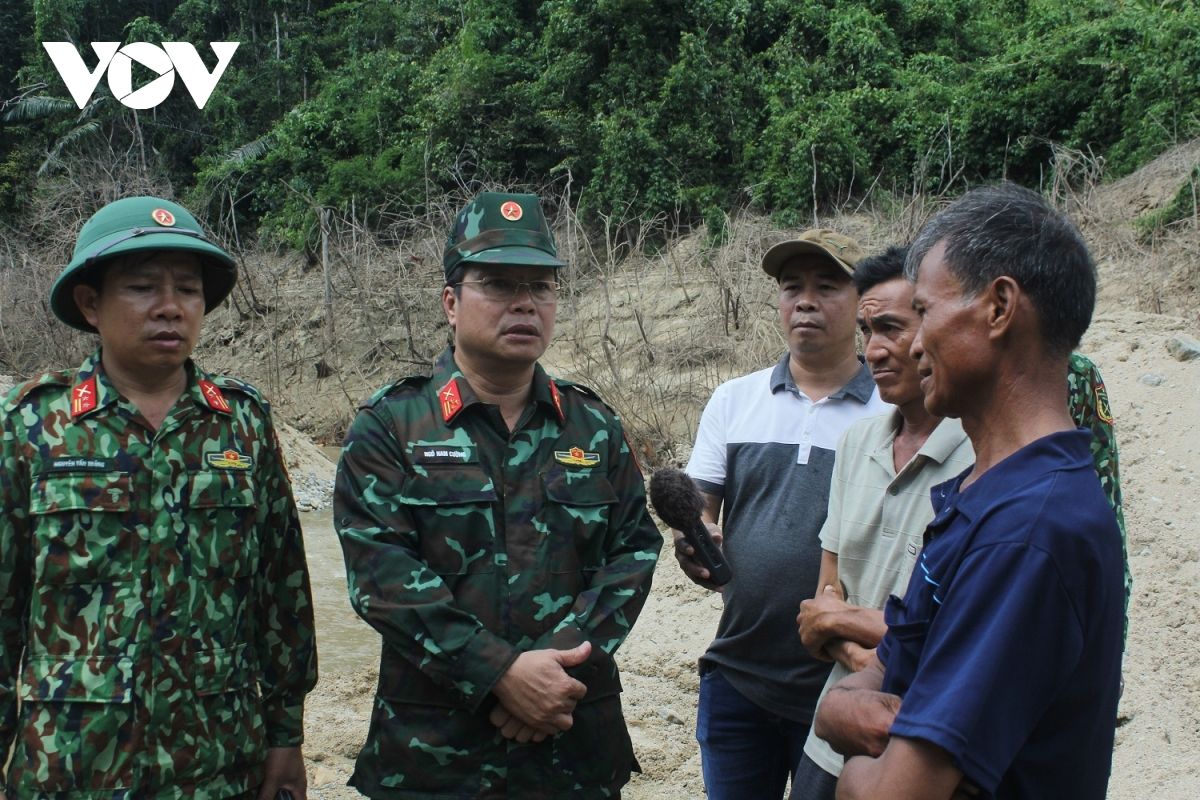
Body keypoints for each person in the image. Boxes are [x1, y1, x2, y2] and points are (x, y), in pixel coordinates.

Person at [333, 191, 662, 799]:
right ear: (452, 304)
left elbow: (634, 554)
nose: (524, 303)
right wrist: (499, 673)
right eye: (499, 284)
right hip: (434, 754)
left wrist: (556, 667)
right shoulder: (392, 424)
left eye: (541, 287)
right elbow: (379, 574)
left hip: (569, 739)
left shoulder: (594, 427)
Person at [0, 196, 318, 799]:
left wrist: (286, 737)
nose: (170, 308)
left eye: (189, 291)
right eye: (143, 287)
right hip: (69, 766)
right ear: (90, 303)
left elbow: (282, 596)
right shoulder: (31, 425)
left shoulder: (242, 424)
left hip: (218, 763)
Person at [815, 184, 1124, 799]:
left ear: (999, 306)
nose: (915, 344)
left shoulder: (1028, 532)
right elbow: (868, 680)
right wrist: (838, 713)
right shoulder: (981, 495)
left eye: (924, 312)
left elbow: (889, 795)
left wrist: (854, 767)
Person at [677, 229, 889, 799]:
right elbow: (701, 506)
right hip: (738, 672)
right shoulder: (734, 399)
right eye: (791, 287)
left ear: (863, 302)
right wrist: (695, 538)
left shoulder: (892, 409)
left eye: (826, 286)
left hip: (844, 680)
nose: (805, 301)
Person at [790, 246, 974, 800]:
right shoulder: (857, 443)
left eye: (891, 328)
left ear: (933, 325)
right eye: (867, 330)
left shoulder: (981, 455)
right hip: (831, 731)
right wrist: (858, 646)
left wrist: (842, 623)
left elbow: (961, 634)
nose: (874, 350)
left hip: (921, 746)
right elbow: (826, 591)